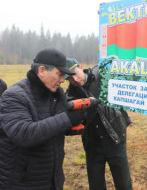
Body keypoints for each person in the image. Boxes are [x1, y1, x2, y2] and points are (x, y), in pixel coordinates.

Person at [0, 49, 84, 190]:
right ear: (42, 70)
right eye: (60, 75)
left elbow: (56, 126)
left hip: (52, 180)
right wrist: (67, 119)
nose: (63, 80)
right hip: (21, 183)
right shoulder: (14, 96)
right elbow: (23, 134)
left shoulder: (57, 94)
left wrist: (81, 118)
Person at [65, 58, 133, 190]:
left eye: (75, 74)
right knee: (96, 184)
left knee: (123, 183)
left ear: (80, 66)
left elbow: (117, 62)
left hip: (115, 137)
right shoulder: (70, 95)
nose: (75, 80)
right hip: (92, 143)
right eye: (70, 79)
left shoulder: (101, 73)